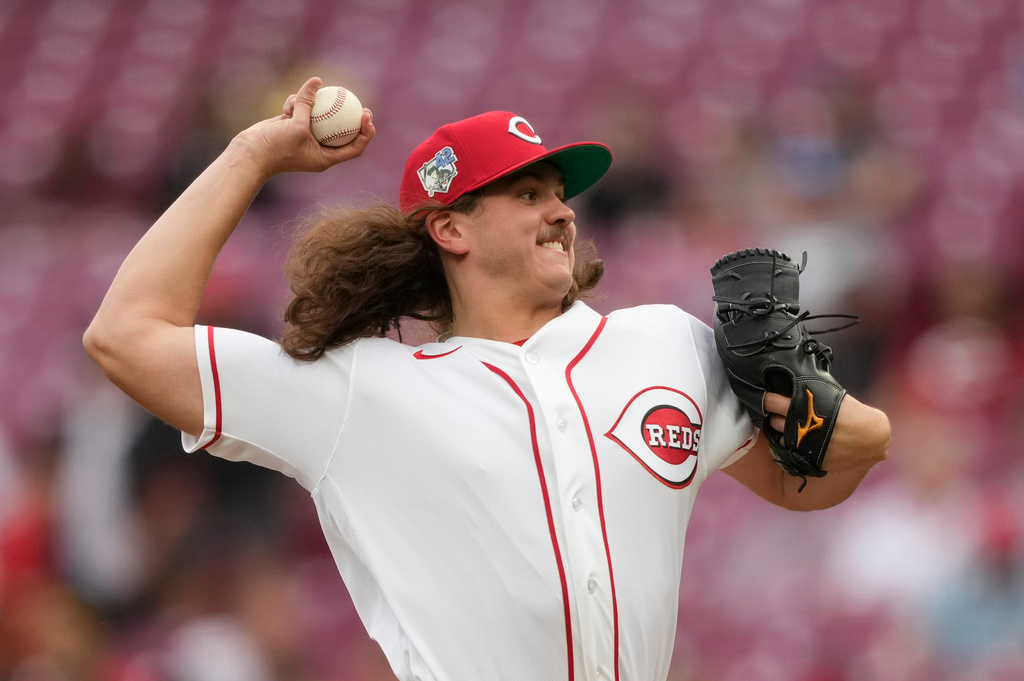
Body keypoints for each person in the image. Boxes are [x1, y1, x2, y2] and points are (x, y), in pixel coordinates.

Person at [84, 77, 891, 681]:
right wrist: (253, 153)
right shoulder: (359, 393)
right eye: (528, 192)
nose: (563, 211)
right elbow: (125, 335)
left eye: (561, 192)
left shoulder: (666, 344)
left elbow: (803, 485)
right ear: (450, 226)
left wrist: (851, 424)